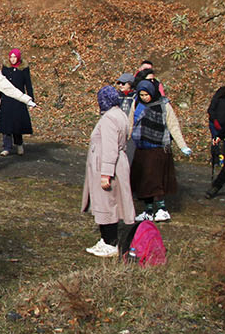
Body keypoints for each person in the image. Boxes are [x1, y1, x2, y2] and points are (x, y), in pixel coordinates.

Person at [81, 85, 137, 257]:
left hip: (106, 166)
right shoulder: (119, 114)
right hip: (113, 164)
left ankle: (109, 242)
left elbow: (110, 147)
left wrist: (105, 173)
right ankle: (106, 240)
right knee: (109, 203)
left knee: (106, 204)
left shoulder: (109, 119)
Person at [130, 78, 192, 222]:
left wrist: (182, 145)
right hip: (142, 148)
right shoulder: (137, 103)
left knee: (156, 180)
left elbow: (173, 125)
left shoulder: (163, 105)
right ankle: (148, 210)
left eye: (146, 95)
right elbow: (130, 123)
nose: (144, 97)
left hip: (158, 149)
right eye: (142, 95)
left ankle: (162, 209)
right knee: (143, 181)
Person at [0, 48, 36, 156]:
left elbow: (28, 84)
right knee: (6, 124)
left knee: (17, 123)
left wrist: (30, 100)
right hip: (6, 99)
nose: (12, 59)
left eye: (14, 57)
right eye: (11, 57)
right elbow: (0, 83)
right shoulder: (5, 68)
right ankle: (6, 147)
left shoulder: (23, 69)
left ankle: (19, 144)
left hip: (19, 99)